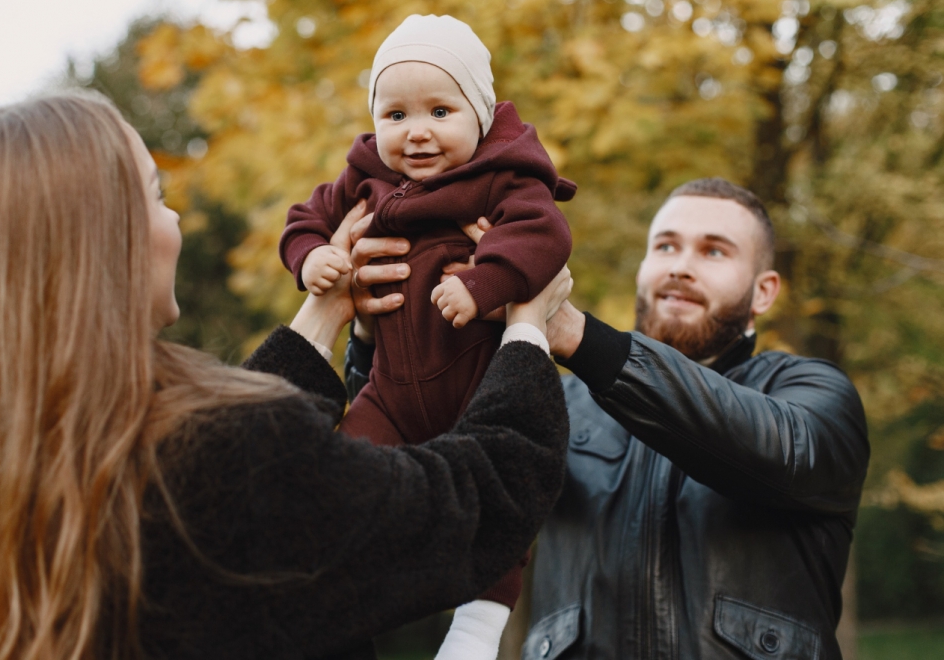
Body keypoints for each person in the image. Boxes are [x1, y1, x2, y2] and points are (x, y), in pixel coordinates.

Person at [0, 93, 573, 660]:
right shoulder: (221, 464)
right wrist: (525, 326)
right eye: (155, 196)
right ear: (101, 239)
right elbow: (475, 502)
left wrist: (324, 312)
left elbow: (244, 458)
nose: (174, 220)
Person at [347, 178, 869, 660]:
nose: (680, 266)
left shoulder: (813, 393)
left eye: (714, 251)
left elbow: (782, 451)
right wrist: (381, 336)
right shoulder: (557, 403)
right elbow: (424, 479)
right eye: (665, 246)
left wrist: (573, 333)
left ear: (765, 291)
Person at [280, 14, 575, 658]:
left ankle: (476, 628)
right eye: (395, 115)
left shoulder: (504, 175)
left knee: (502, 502)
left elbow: (543, 233)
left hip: (477, 385)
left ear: (479, 114)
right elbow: (307, 217)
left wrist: (485, 283)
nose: (416, 132)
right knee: (338, 489)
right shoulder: (366, 179)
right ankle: (341, 614)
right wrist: (310, 259)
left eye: (441, 111)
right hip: (388, 390)